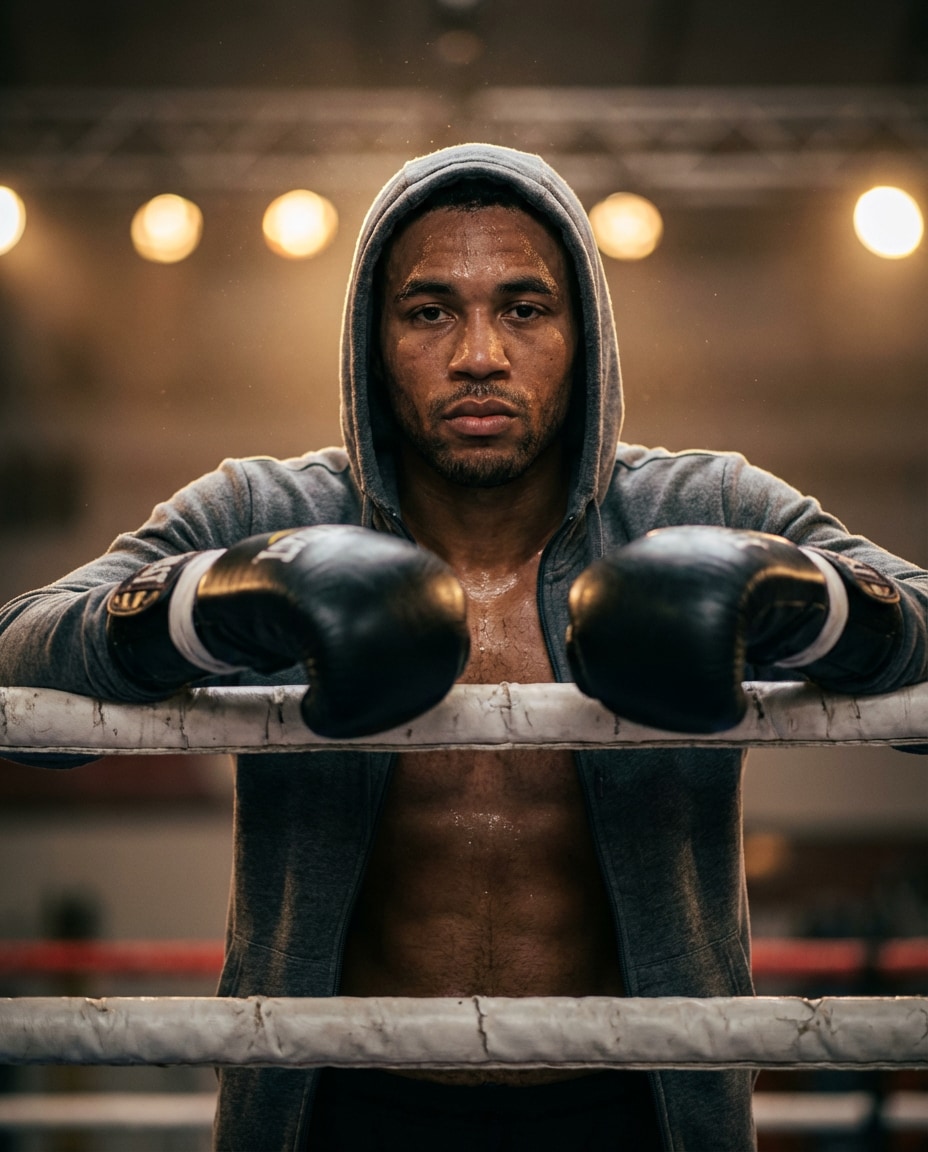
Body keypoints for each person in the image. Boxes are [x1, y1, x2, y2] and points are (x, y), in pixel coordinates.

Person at [0, 142, 925, 1150]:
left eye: (523, 309)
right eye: (430, 311)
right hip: (343, 1105)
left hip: (630, 1104)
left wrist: (820, 607)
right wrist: (197, 609)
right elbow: (18, 659)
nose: (479, 355)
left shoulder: (699, 507)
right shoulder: (269, 512)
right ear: (372, 338)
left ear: (584, 336)